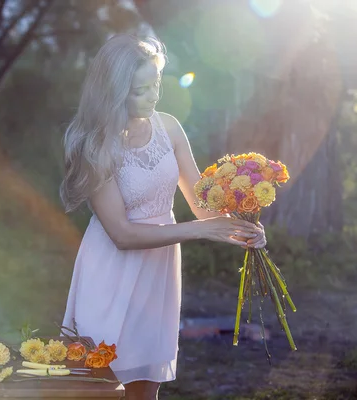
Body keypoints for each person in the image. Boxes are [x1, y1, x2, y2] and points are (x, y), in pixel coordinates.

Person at [59, 34, 266, 400]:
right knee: (98, 385)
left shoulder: (168, 127)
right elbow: (122, 234)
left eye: (156, 84)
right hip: (110, 268)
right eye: (141, 90)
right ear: (114, 92)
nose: (153, 96)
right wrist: (203, 229)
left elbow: (203, 205)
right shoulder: (94, 143)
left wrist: (242, 228)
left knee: (144, 388)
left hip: (158, 271)